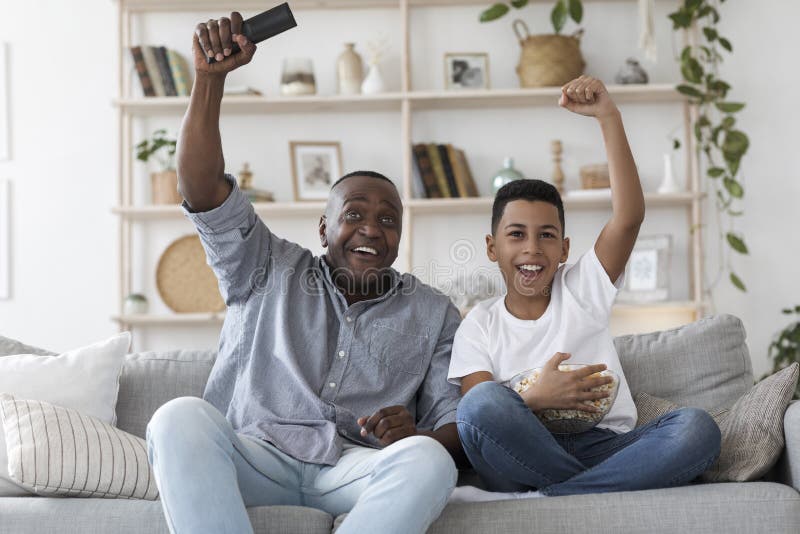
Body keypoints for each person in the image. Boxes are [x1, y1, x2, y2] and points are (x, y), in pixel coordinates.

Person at [145, 12, 465, 534]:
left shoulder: (433, 312)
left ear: (400, 237)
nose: (371, 229)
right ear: (324, 229)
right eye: (354, 214)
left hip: (352, 467)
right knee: (176, 418)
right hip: (256, 457)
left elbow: (455, 422)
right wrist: (209, 80)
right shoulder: (266, 265)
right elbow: (201, 189)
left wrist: (420, 433)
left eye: (388, 220)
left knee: (429, 463)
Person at [448, 76, 722, 497]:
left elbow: (628, 218)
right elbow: (478, 412)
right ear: (491, 247)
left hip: (605, 448)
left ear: (564, 248)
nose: (532, 249)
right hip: (520, 452)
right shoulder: (479, 324)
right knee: (481, 405)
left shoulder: (582, 287)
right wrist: (534, 397)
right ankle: (595, 490)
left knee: (696, 429)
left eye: (547, 236)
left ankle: (559, 495)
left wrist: (608, 117)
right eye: (516, 234)